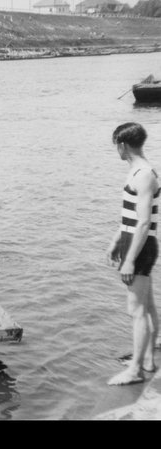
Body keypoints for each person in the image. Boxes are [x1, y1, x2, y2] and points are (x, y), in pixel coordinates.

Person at [106, 122, 160, 386]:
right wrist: (116, 241)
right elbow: (129, 216)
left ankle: (136, 370)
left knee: (136, 309)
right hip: (133, 241)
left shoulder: (143, 175)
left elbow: (143, 222)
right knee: (147, 305)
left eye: (116, 144)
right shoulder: (138, 172)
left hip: (140, 246)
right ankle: (148, 359)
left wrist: (129, 259)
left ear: (122, 144)